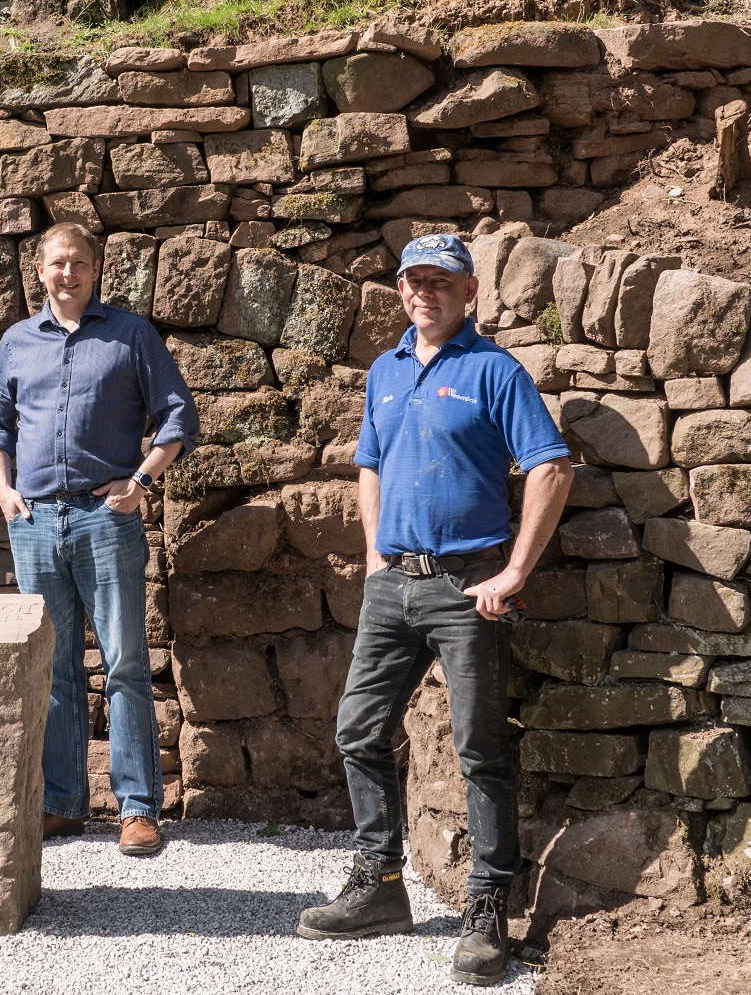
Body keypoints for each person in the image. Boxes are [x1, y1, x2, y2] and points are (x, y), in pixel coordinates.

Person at [297, 233, 573, 988]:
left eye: (442, 282)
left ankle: (488, 911)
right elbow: (370, 463)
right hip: (394, 586)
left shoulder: (495, 371)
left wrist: (514, 568)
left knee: (480, 746)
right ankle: (381, 885)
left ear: (470, 290)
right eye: (415, 281)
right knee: (359, 728)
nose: (427, 292)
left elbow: (551, 465)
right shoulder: (384, 372)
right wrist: (375, 556)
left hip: (467, 587)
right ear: (402, 290)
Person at [0, 223, 197, 858]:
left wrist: (140, 482)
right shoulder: (17, 343)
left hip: (107, 517)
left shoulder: (131, 335)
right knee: (53, 666)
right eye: (56, 263)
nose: (67, 273)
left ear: (96, 268)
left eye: (78, 262)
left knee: (126, 661)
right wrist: (4, 490)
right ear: (38, 270)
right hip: (35, 520)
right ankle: (62, 803)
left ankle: (136, 809)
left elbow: (178, 415)